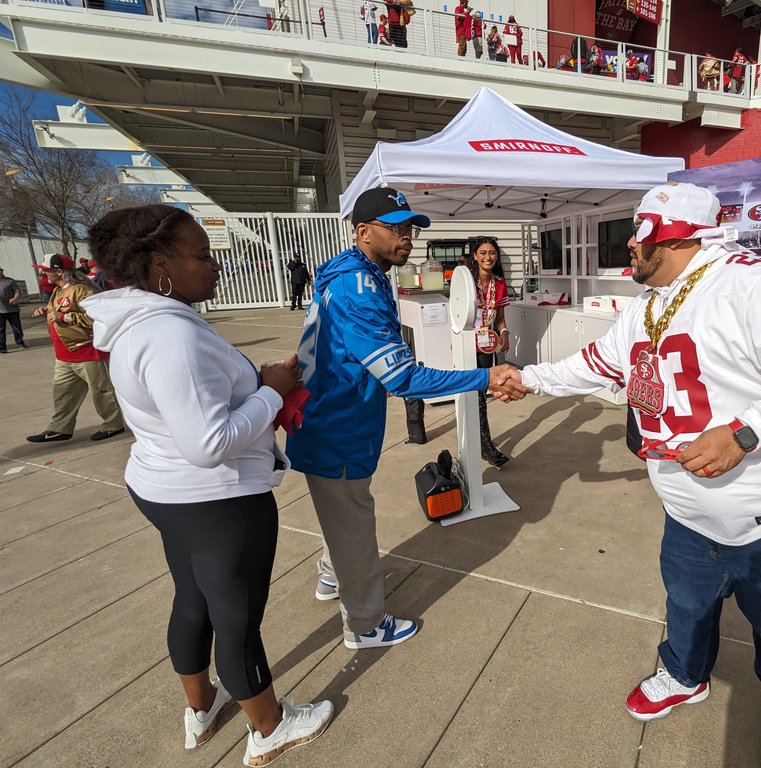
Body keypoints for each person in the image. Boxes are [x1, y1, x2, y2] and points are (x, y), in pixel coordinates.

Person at [502, 183, 761, 767]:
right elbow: (597, 364)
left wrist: (746, 433)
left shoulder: (759, 285)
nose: (629, 252)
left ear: (662, 236)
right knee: (687, 609)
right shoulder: (652, 303)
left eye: (635, 238)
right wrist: (530, 379)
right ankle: (683, 675)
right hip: (688, 513)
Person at [83, 204, 334, 766]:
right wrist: (271, 389)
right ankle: (269, 728)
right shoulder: (171, 335)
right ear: (158, 264)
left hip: (166, 491)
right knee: (236, 615)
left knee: (194, 601)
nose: (215, 263)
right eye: (201, 254)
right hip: (217, 499)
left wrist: (254, 386)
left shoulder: (139, 323)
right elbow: (208, 442)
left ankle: (201, 711)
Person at [286, 187, 526, 648]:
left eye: (409, 228)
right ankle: (365, 625)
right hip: (338, 426)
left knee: (342, 516)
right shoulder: (359, 288)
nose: (407, 238)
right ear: (362, 232)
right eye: (394, 228)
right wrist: (485, 379)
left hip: (333, 419)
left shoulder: (359, 275)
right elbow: (403, 378)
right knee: (354, 525)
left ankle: (332, 576)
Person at [26, 253, 125, 444]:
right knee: (63, 393)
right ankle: (59, 428)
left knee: (102, 392)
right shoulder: (58, 291)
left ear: (59, 271)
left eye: (46, 271)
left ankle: (114, 425)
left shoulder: (83, 290)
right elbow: (56, 310)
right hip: (64, 354)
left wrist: (62, 317)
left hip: (87, 352)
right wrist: (45, 311)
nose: (43, 275)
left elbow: (95, 318)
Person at [469, 237, 511, 466]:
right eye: (483, 252)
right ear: (475, 256)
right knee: (473, 397)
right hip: (467, 346)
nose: (488, 257)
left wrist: (505, 333)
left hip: (486, 347)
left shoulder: (500, 283)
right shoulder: (466, 281)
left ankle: (482, 443)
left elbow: (501, 319)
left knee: (481, 397)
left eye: (492, 253)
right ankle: (484, 445)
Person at [0, 266, 29, 354]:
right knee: (1, 329)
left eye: (0, 270)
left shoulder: (9, 281)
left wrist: (15, 299)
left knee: (16, 327)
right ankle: (2, 347)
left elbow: (17, 291)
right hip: (0, 310)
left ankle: (20, 343)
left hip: (12, 309)